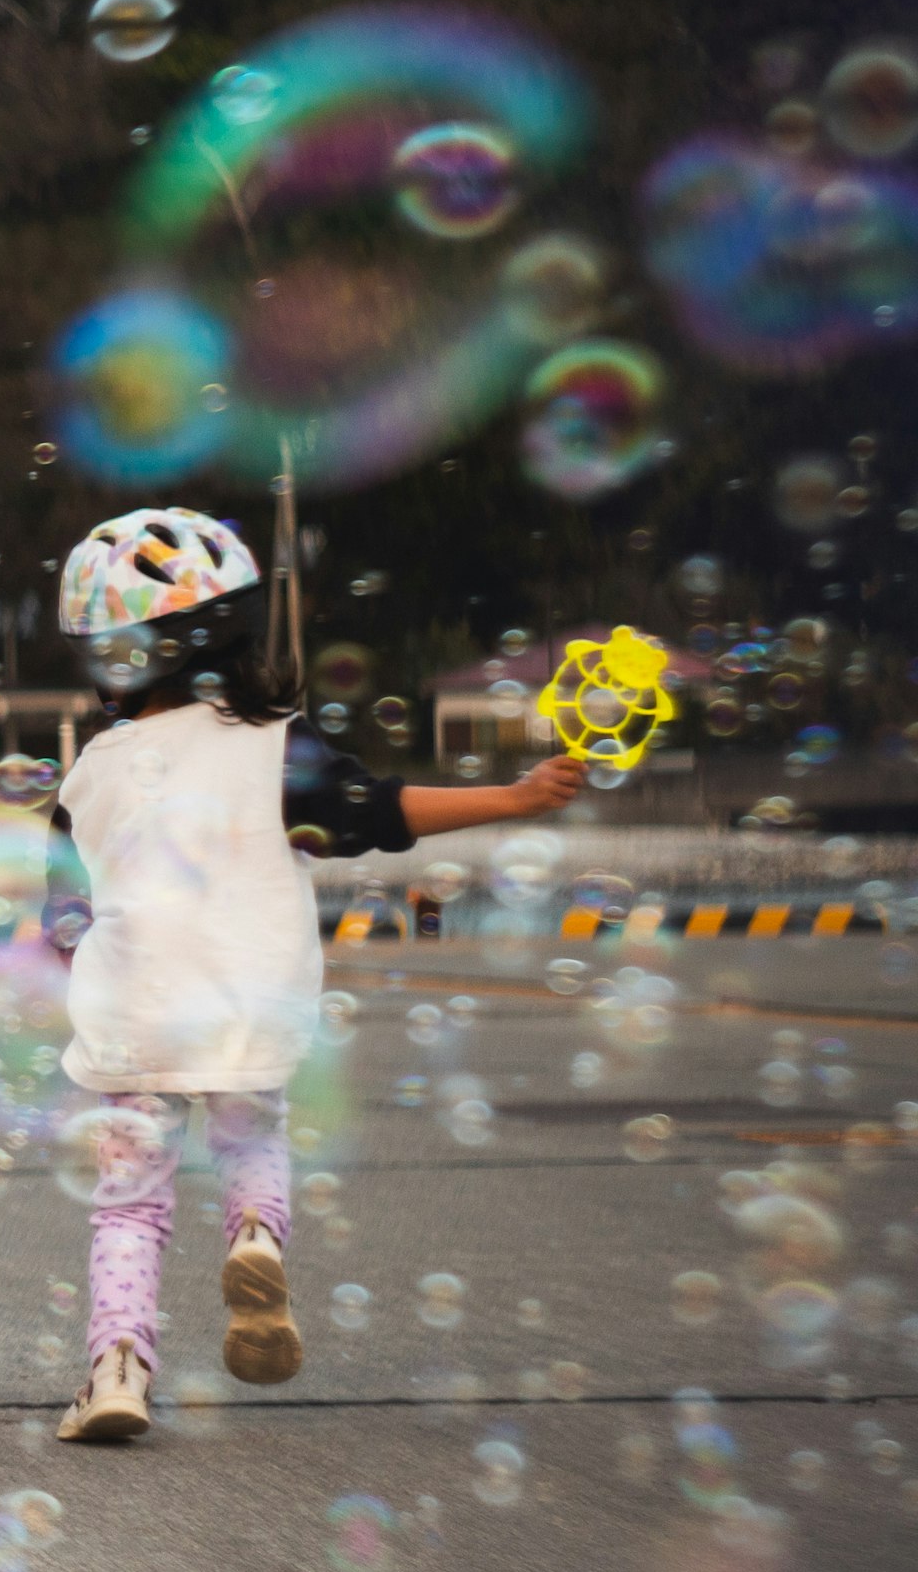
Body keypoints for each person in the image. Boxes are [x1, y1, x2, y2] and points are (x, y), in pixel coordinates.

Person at [39, 506, 585, 1444]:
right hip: (251, 1011)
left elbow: (62, 919)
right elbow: (379, 812)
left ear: (106, 656)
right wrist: (518, 796)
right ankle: (255, 1234)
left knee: (129, 1206)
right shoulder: (274, 749)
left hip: (135, 1019)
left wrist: (86, 972)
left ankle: (117, 1368)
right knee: (251, 1138)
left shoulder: (88, 772)